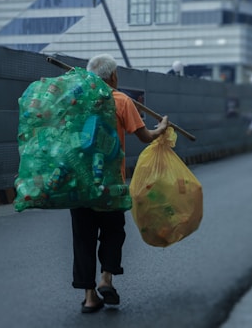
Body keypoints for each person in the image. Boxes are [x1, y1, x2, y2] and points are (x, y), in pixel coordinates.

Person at [70, 54, 169, 313]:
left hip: (80, 183)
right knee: (113, 231)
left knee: (83, 238)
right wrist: (161, 128)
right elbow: (145, 136)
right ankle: (106, 278)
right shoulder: (122, 101)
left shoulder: (76, 101)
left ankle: (90, 297)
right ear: (113, 76)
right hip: (111, 184)